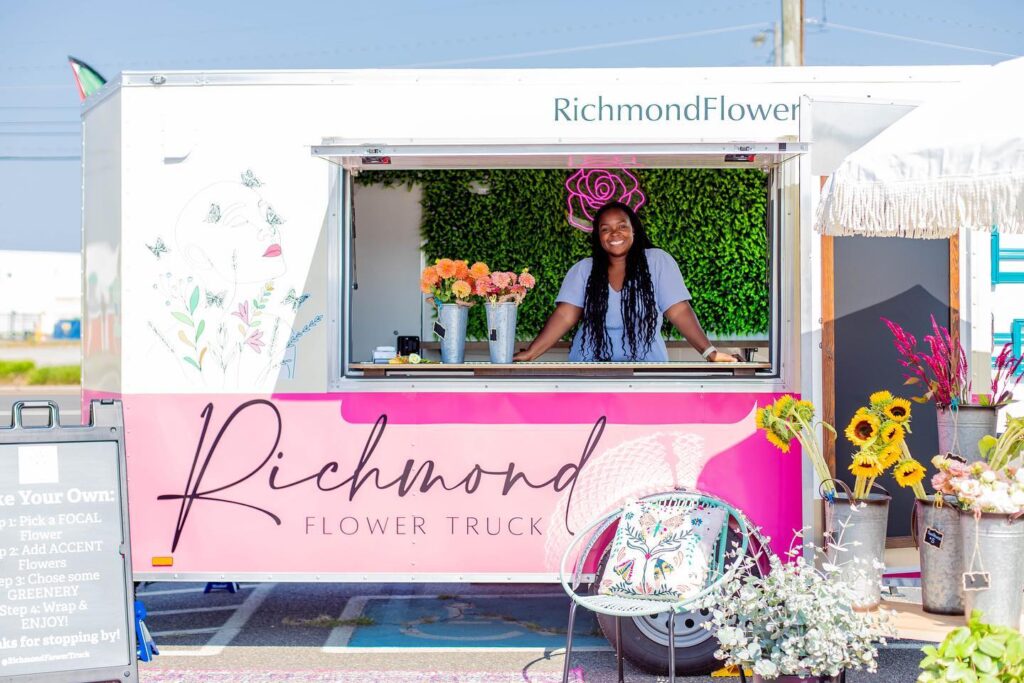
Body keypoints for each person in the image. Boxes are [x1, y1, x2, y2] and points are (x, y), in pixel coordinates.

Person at [513, 201, 738, 363]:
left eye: (622, 226)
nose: (614, 233)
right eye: (605, 229)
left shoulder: (657, 261)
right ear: (598, 237)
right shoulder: (584, 269)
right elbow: (565, 315)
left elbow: (678, 311)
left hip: (646, 371)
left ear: (634, 230)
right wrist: (532, 353)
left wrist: (710, 353)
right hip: (590, 368)